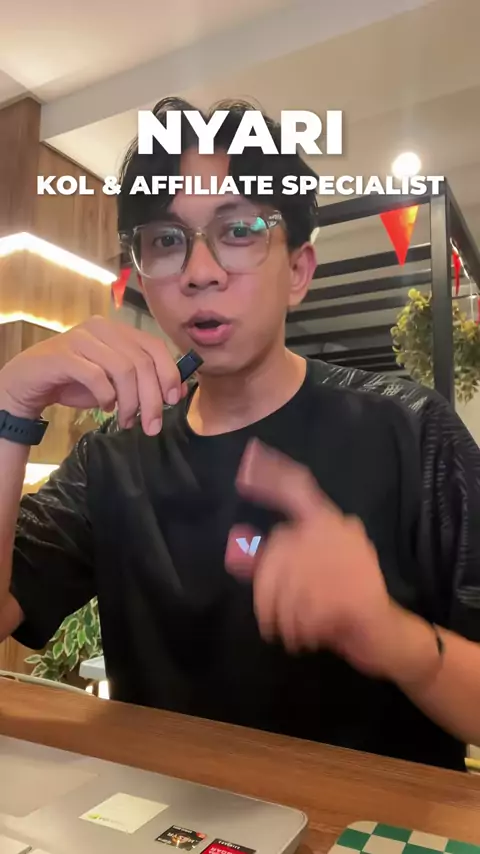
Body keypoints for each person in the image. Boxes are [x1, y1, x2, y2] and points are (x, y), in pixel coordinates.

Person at [0, 97, 479, 773]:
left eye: (240, 229)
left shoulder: (412, 431)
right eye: (167, 241)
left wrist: (394, 638)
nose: (200, 272)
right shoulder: (112, 457)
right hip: (155, 817)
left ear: (299, 271)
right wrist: (11, 405)